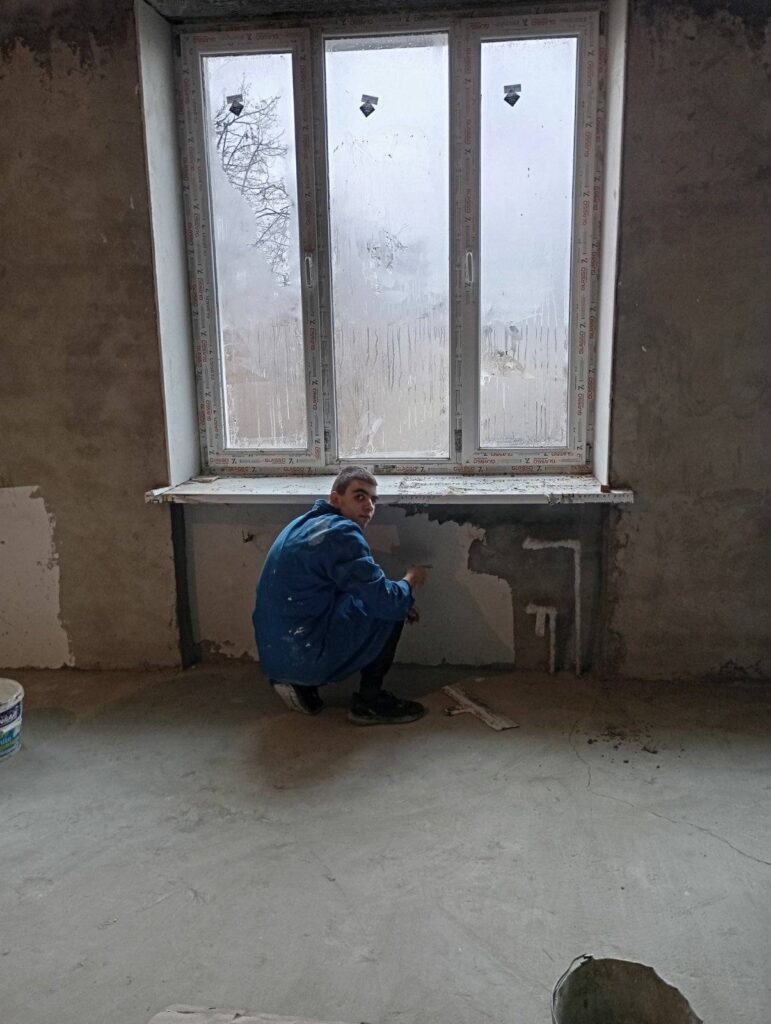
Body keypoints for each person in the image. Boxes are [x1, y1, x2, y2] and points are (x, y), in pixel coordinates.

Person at [253, 467, 428, 725]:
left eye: (373, 500)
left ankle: (301, 686)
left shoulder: (302, 525)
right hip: (304, 656)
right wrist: (410, 580)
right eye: (360, 497)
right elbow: (386, 602)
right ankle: (369, 702)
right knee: (389, 607)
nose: (369, 506)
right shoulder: (342, 533)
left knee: (381, 600)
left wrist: (398, 601)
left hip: (276, 656)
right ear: (336, 499)